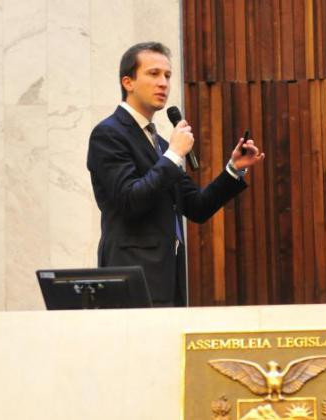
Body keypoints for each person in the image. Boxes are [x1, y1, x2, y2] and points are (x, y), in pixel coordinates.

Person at [86, 42, 265, 307]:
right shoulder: (109, 134)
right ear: (128, 82)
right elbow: (130, 201)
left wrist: (233, 170)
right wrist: (173, 155)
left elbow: (196, 207)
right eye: (153, 73)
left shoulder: (158, 142)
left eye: (168, 76)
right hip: (130, 277)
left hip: (168, 277)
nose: (164, 83)